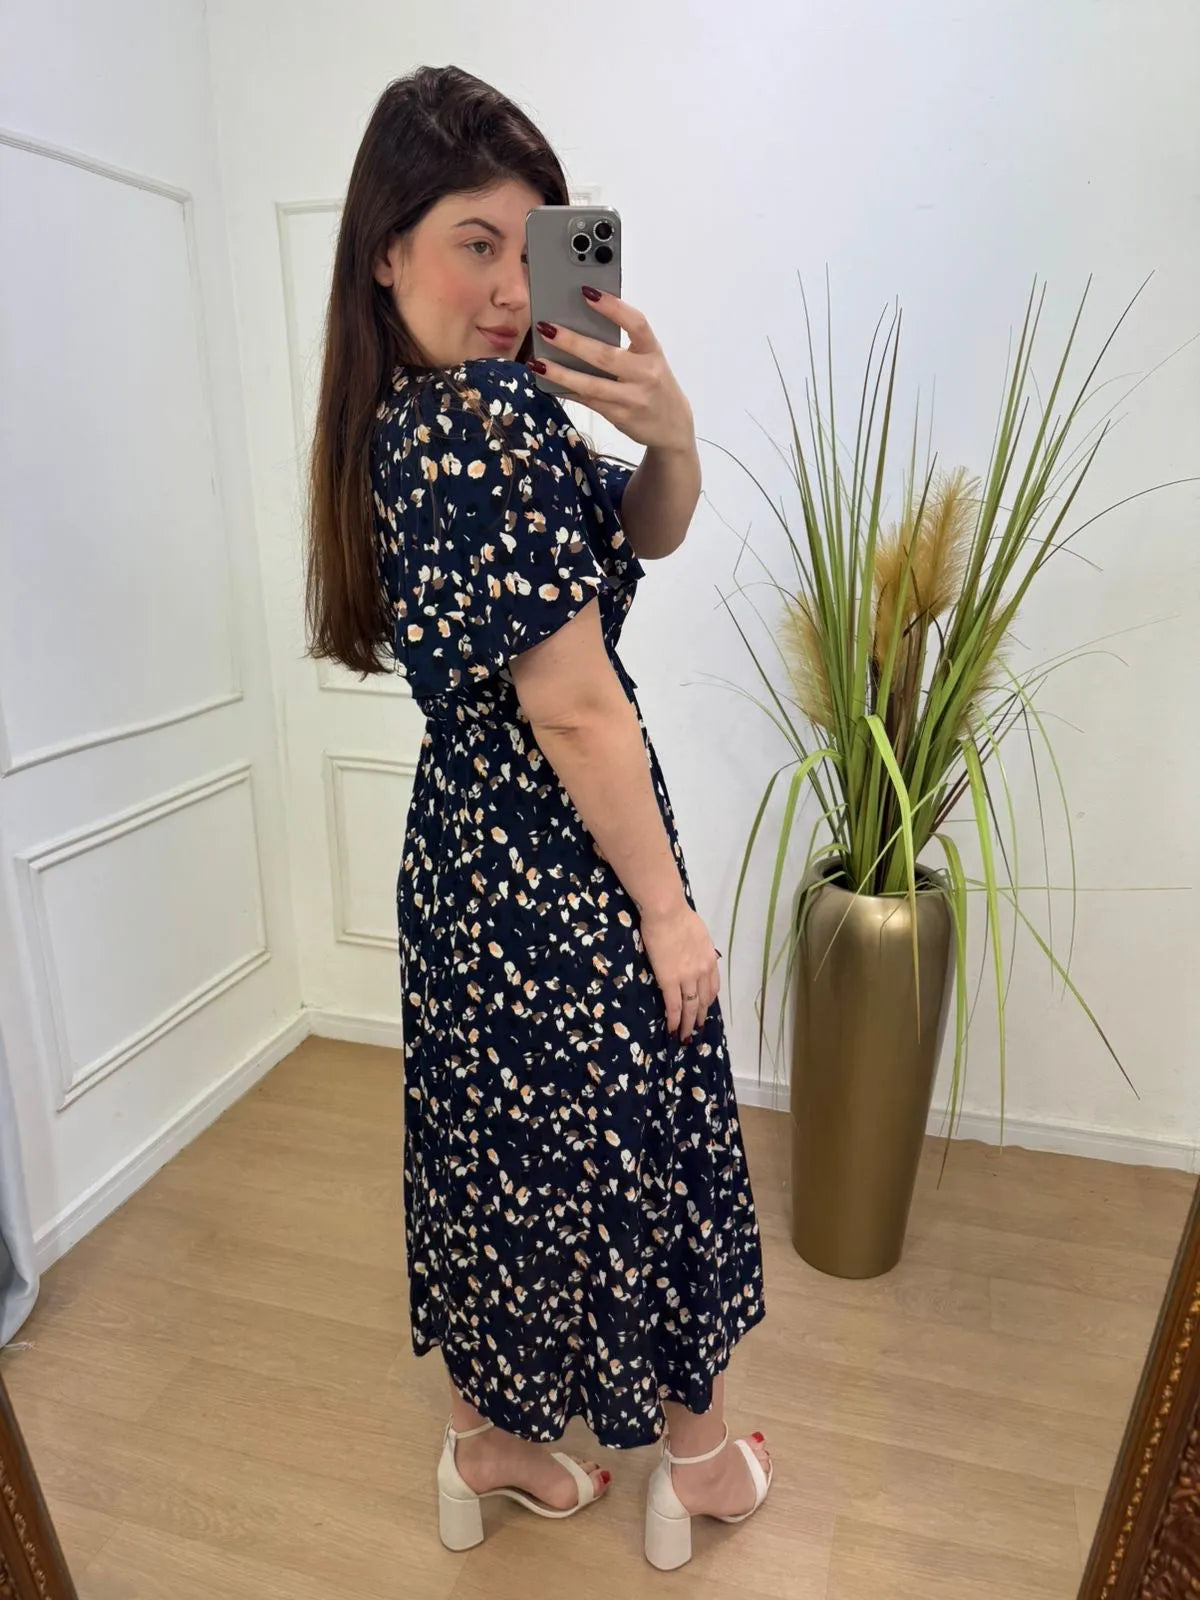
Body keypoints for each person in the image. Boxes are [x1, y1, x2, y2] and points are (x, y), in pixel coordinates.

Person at [304, 65, 771, 1571]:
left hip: (468, 858)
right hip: (564, 862)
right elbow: (576, 708)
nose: (512, 289)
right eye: (472, 244)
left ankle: (487, 1447)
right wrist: (668, 909)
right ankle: (697, 1465)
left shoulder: (425, 420)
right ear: (387, 250)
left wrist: (669, 431)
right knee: (652, 1143)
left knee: (494, 1155)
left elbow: (640, 532)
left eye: (532, 245)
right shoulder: (485, 427)